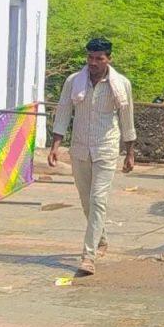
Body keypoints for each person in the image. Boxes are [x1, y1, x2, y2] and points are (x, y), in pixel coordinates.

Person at [49, 37, 137, 276]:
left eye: (99, 58)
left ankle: (88, 257)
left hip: (106, 148)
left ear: (109, 59)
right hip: (79, 149)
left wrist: (129, 152)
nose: (94, 63)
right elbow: (64, 112)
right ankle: (101, 238)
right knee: (87, 201)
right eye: (90, 58)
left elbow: (127, 119)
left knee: (98, 200)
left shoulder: (120, 85)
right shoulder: (73, 82)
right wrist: (55, 145)